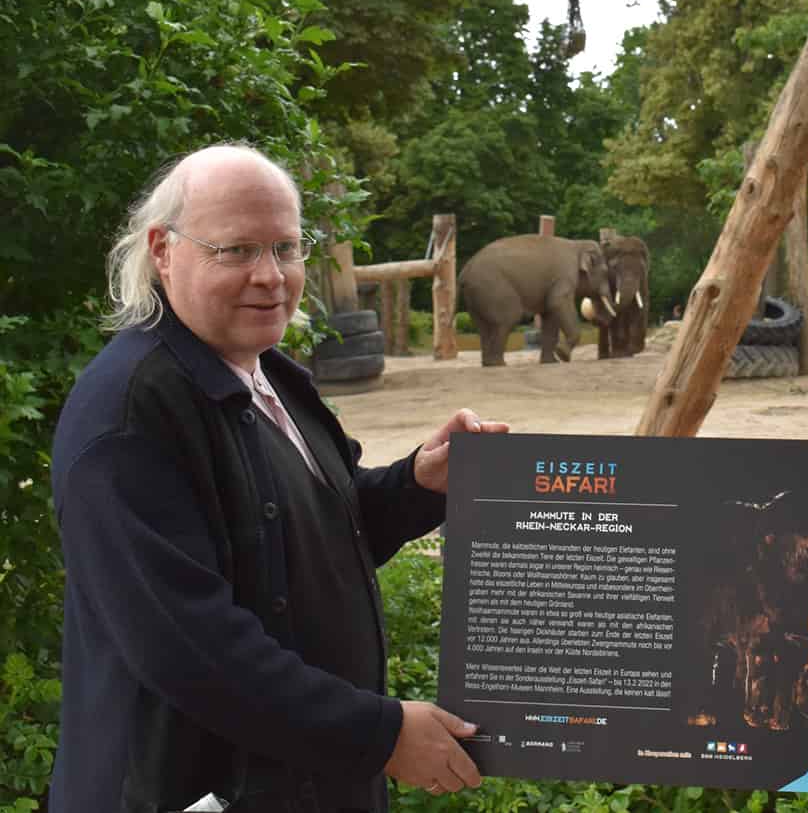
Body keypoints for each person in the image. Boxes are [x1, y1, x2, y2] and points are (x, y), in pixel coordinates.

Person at [50, 144, 508, 812]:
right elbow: (193, 649)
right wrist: (380, 734)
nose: (271, 277)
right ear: (163, 250)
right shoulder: (129, 416)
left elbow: (313, 536)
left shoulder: (266, 372)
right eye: (236, 250)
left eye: (287, 248)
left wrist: (419, 482)